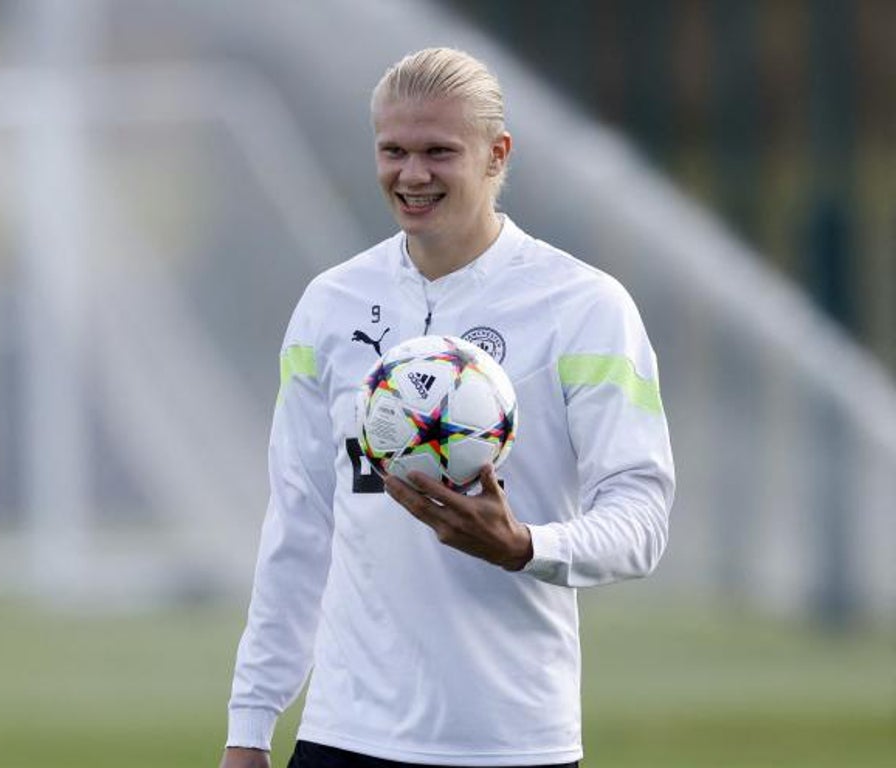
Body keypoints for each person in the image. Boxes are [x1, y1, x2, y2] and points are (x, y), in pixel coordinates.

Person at [221, 47, 675, 768]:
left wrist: (526, 546)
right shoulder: (330, 305)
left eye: (438, 151)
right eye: (393, 151)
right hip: (343, 736)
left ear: (497, 154)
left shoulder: (585, 306)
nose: (412, 175)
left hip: (513, 743)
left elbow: (641, 520)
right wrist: (249, 725)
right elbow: (299, 526)